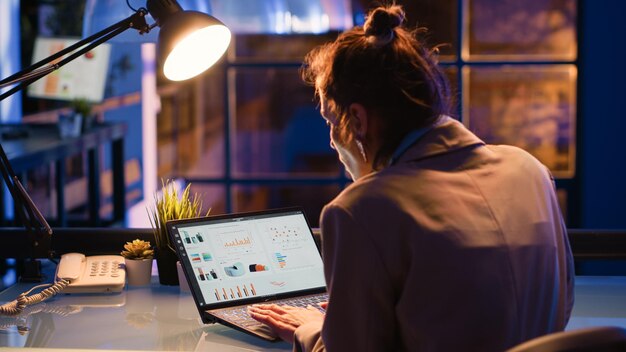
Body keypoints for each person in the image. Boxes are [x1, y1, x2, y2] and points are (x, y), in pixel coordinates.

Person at [248, 3, 575, 351]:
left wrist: (314, 329)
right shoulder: (530, 171)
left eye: (332, 121)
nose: (331, 139)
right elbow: (560, 304)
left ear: (357, 120)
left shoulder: (359, 211)